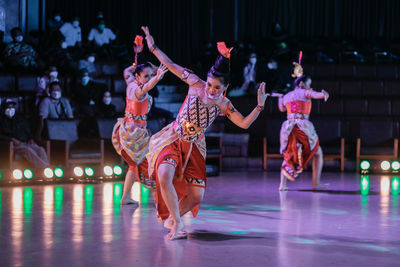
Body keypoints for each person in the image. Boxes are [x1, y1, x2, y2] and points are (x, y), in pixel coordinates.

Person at [142, 26, 268, 240]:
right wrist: (153, 48)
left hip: (195, 146)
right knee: (164, 176)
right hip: (174, 137)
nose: (211, 89)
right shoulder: (194, 83)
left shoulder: (224, 105)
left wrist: (259, 106)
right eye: (210, 84)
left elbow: (244, 124)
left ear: (225, 88)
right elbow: (171, 64)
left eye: (217, 87)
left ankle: (175, 217)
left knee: (196, 195)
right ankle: (177, 224)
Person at [112, 62, 168, 205]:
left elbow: (126, 70)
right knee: (147, 163)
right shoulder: (138, 91)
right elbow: (148, 86)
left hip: (129, 130)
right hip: (134, 134)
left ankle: (125, 197)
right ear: (137, 76)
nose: (149, 78)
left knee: (133, 165)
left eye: (151, 75)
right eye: (146, 76)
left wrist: (135, 65)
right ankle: (159, 196)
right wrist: (157, 78)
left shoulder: (131, 82)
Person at [273, 62, 329, 191]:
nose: (310, 86)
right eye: (309, 84)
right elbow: (315, 95)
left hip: (289, 128)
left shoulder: (287, 95)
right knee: (318, 152)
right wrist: (324, 94)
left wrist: (280, 97)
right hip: (302, 127)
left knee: (289, 153)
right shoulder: (305, 92)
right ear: (302, 84)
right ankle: (316, 182)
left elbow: (281, 109)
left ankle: (283, 184)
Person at [0, 99, 49, 168]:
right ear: (3, 109)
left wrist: (31, 138)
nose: (11, 109)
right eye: (8, 107)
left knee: (40, 149)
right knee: (27, 150)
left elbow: (27, 130)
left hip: (25, 142)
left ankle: (45, 167)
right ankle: (44, 168)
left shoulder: (19, 118)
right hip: (11, 145)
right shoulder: (1, 120)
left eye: (12, 107)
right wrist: (12, 139)